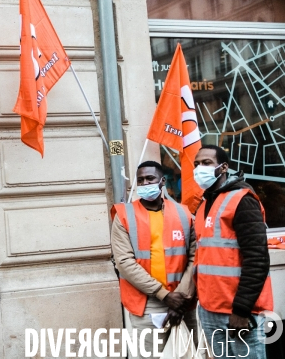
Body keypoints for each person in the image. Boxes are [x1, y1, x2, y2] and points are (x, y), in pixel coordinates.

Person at [193, 145, 273, 358]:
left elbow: (257, 259)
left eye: (206, 163)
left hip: (238, 312)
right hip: (210, 309)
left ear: (224, 167)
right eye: (197, 164)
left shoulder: (242, 200)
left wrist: (241, 310)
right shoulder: (204, 205)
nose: (199, 168)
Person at [111, 160, 197, 356]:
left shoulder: (183, 213)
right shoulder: (124, 215)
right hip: (147, 302)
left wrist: (180, 298)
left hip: (183, 299)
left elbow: (195, 258)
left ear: (162, 181)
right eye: (140, 180)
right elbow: (124, 263)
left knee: (187, 353)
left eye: (150, 178)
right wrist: (164, 296)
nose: (145, 183)